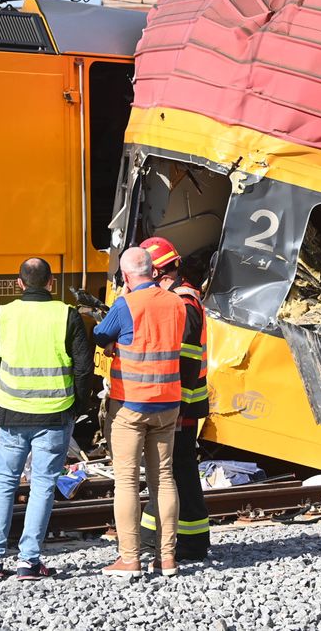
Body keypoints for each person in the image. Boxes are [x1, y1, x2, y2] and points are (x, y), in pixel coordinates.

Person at [0, 258, 93, 580]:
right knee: (42, 484)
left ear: (19, 283)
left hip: (12, 411)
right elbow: (84, 367)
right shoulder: (66, 314)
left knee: (4, 482)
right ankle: (29, 561)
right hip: (55, 413)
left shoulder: (5, 312)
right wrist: (78, 406)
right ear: (51, 283)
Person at [94, 247, 186, 578]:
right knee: (163, 478)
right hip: (167, 404)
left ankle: (130, 560)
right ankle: (167, 559)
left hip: (131, 405)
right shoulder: (177, 302)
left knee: (128, 483)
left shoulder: (126, 304)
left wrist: (122, 300)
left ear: (127, 276)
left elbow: (101, 334)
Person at [137, 237, 211, 561]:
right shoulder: (178, 299)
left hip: (182, 405)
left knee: (169, 471)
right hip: (180, 404)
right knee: (178, 471)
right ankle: (191, 542)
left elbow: (188, 360)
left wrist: (175, 407)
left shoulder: (184, 303)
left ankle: (155, 542)